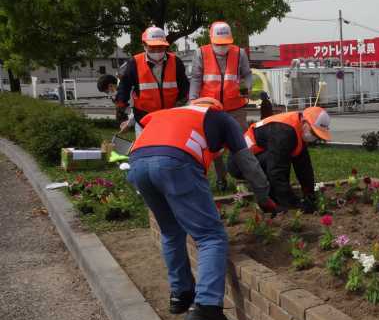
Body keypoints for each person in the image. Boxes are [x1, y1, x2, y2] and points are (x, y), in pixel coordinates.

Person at [127, 97, 275, 320]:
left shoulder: (168, 113)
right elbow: (246, 161)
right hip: (175, 163)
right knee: (211, 237)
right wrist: (263, 195)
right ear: (215, 107)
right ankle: (206, 306)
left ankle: (180, 294)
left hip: (137, 165)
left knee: (170, 231)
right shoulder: (220, 118)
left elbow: (147, 140)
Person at [230, 107, 332, 212]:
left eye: (316, 135)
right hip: (239, 164)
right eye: (313, 132)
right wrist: (294, 203)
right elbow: (276, 171)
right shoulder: (284, 132)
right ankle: (273, 200)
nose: (313, 137)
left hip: (256, 158)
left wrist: (309, 195)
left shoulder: (297, 128)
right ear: (304, 121)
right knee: (280, 160)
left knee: (284, 157)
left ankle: (279, 197)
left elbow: (304, 167)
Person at [190, 21, 253, 190]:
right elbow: (195, 78)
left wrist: (248, 87)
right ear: (211, 39)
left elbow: (247, 74)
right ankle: (221, 178)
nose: (222, 47)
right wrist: (192, 99)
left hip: (236, 107)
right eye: (218, 44)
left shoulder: (239, 53)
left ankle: (244, 177)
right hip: (211, 108)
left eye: (225, 43)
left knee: (242, 143)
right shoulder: (201, 53)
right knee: (215, 145)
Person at [113, 26, 190, 136]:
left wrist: (180, 106)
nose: (157, 50)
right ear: (144, 45)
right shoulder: (134, 63)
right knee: (146, 152)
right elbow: (123, 89)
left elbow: (184, 87)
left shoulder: (176, 62)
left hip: (170, 119)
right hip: (144, 120)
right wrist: (122, 116)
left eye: (161, 47)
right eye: (153, 47)